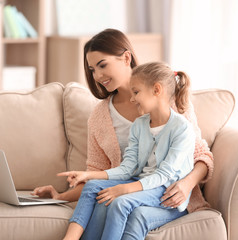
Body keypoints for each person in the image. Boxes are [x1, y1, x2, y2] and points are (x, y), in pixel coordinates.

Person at [32, 29, 213, 239]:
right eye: (92, 70)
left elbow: (201, 155)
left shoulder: (170, 99)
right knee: (104, 201)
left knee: (118, 204)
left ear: (126, 57)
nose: (97, 76)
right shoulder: (100, 117)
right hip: (128, 184)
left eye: (102, 65)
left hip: (168, 192)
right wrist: (61, 196)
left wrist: (186, 183)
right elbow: (102, 173)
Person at [59, 61, 196, 240]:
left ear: (156, 90)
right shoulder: (139, 125)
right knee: (93, 188)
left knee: (120, 203)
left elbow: (164, 175)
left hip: (165, 189)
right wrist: (88, 176)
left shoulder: (182, 129)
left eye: (136, 92)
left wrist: (125, 189)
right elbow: (127, 168)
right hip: (141, 182)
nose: (132, 99)